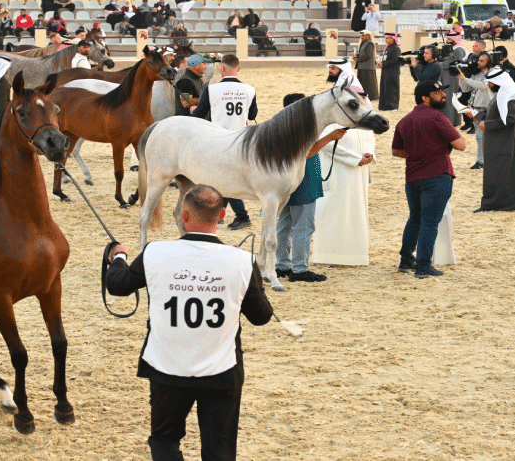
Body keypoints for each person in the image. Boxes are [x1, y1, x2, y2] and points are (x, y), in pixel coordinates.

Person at [104, 184, 273, 461]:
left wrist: (119, 256)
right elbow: (261, 317)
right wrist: (245, 275)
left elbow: (118, 285)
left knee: (164, 440)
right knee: (219, 451)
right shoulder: (242, 260)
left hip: (166, 368)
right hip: (222, 369)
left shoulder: (154, 253)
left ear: (184, 215)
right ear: (222, 215)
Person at [392, 80, 467, 278]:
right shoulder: (437, 118)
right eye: (437, 92)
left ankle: (406, 259)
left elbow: (396, 151)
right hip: (437, 175)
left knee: (415, 218)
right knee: (430, 222)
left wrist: (418, 152)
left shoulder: (404, 121)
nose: (442, 94)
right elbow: (460, 145)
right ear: (425, 98)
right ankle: (424, 265)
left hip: (413, 177)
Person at [273, 93, 345, 282]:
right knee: (303, 227)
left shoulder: (279, 126)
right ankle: (299, 269)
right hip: (302, 182)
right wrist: (330, 137)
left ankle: (282, 265)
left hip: (284, 183)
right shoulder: (300, 129)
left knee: (284, 226)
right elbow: (305, 153)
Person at [192, 55, 258, 231]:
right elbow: (252, 116)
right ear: (238, 69)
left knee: (225, 180)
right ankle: (220, 212)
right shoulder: (250, 89)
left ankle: (241, 215)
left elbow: (199, 114)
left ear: (222, 69)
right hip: (241, 140)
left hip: (218, 140)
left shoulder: (212, 89)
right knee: (228, 178)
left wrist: (191, 112)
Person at [312, 88, 376, 266]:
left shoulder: (363, 119)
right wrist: (355, 159)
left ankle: (355, 256)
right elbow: (323, 143)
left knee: (356, 212)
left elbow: (370, 137)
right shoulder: (331, 119)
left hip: (358, 175)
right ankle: (327, 257)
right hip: (336, 173)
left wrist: (369, 153)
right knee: (332, 213)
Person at [473, 68, 515, 212]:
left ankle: (495, 204)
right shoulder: (502, 93)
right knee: (497, 173)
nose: (489, 85)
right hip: (497, 141)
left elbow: (511, 118)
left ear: (499, 82)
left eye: (491, 82)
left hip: (504, 142)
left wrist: (488, 124)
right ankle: (494, 203)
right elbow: (495, 112)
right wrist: (477, 115)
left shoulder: (509, 95)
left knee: (500, 173)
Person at [457, 52, 492, 169]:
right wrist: (462, 77)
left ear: (488, 62)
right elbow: (465, 89)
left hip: (487, 109)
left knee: (480, 135)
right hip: (475, 108)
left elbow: (483, 85)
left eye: (482, 61)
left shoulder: (491, 73)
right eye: (479, 60)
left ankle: (480, 161)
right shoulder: (475, 74)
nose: (478, 63)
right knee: (479, 134)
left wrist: (465, 79)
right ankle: (482, 160)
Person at [439, 32, 467, 128]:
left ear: (455, 40)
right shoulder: (451, 49)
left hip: (452, 78)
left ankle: (452, 121)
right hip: (446, 76)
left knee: (450, 98)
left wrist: (441, 63)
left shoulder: (459, 50)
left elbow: (456, 64)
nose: (447, 41)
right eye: (447, 39)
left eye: (450, 39)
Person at [377, 32, 400, 111]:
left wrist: (384, 64)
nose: (386, 40)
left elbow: (395, 61)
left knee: (391, 88)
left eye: (387, 38)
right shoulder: (388, 47)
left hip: (392, 72)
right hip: (386, 71)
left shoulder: (395, 48)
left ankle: (392, 106)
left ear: (393, 39)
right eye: (385, 38)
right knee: (385, 87)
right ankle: (384, 106)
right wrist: (381, 63)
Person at [353, 30, 379, 101]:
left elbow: (368, 55)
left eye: (363, 35)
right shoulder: (364, 43)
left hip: (368, 67)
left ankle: (372, 97)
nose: (362, 37)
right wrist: (357, 55)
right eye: (361, 36)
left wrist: (358, 59)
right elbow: (363, 53)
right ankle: (363, 95)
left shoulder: (369, 44)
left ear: (367, 36)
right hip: (362, 66)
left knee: (369, 83)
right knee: (363, 82)